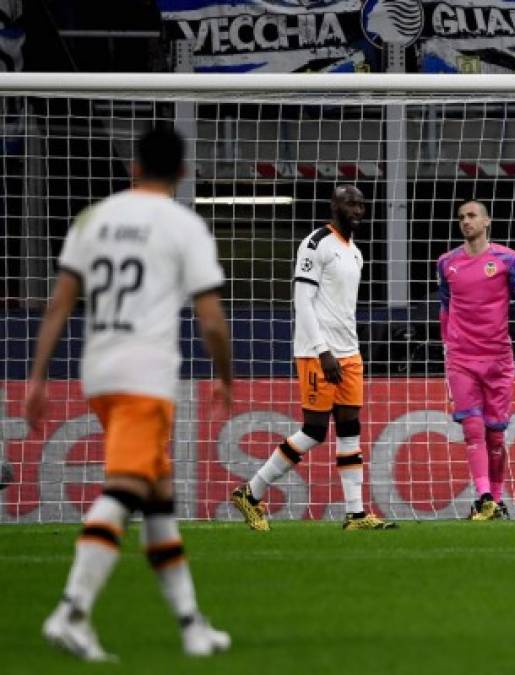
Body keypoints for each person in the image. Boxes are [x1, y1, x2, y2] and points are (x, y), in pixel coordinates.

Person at [26, 127, 232, 661]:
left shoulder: (93, 219)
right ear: (183, 173)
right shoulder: (184, 225)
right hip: (146, 374)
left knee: (159, 500)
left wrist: (36, 376)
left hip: (97, 371)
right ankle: (71, 610)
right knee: (122, 491)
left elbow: (60, 304)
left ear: (134, 166)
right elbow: (211, 321)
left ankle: (191, 624)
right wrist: (226, 377)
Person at [230, 185, 395, 531]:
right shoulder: (316, 243)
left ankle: (355, 514)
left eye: (362, 204)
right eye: (350, 203)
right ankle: (251, 492)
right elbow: (302, 301)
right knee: (314, 430)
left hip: (350, 353)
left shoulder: (355, 253)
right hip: (318, 353)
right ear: (334, 206)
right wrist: (323, 351)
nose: (358, 209)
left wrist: (346, 351)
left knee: (350, 429)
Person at [437, 200, 515, 521]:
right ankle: (484, 498)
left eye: (471, 216)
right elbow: (445, 307)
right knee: (472, 428)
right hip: (461, 358)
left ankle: (496, 500)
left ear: (487, 221)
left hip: (498, 358)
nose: (466, 222)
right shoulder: (446, 263)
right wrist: (446, 346)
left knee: (495, 434)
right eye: (461, 218)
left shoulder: (507, 259)